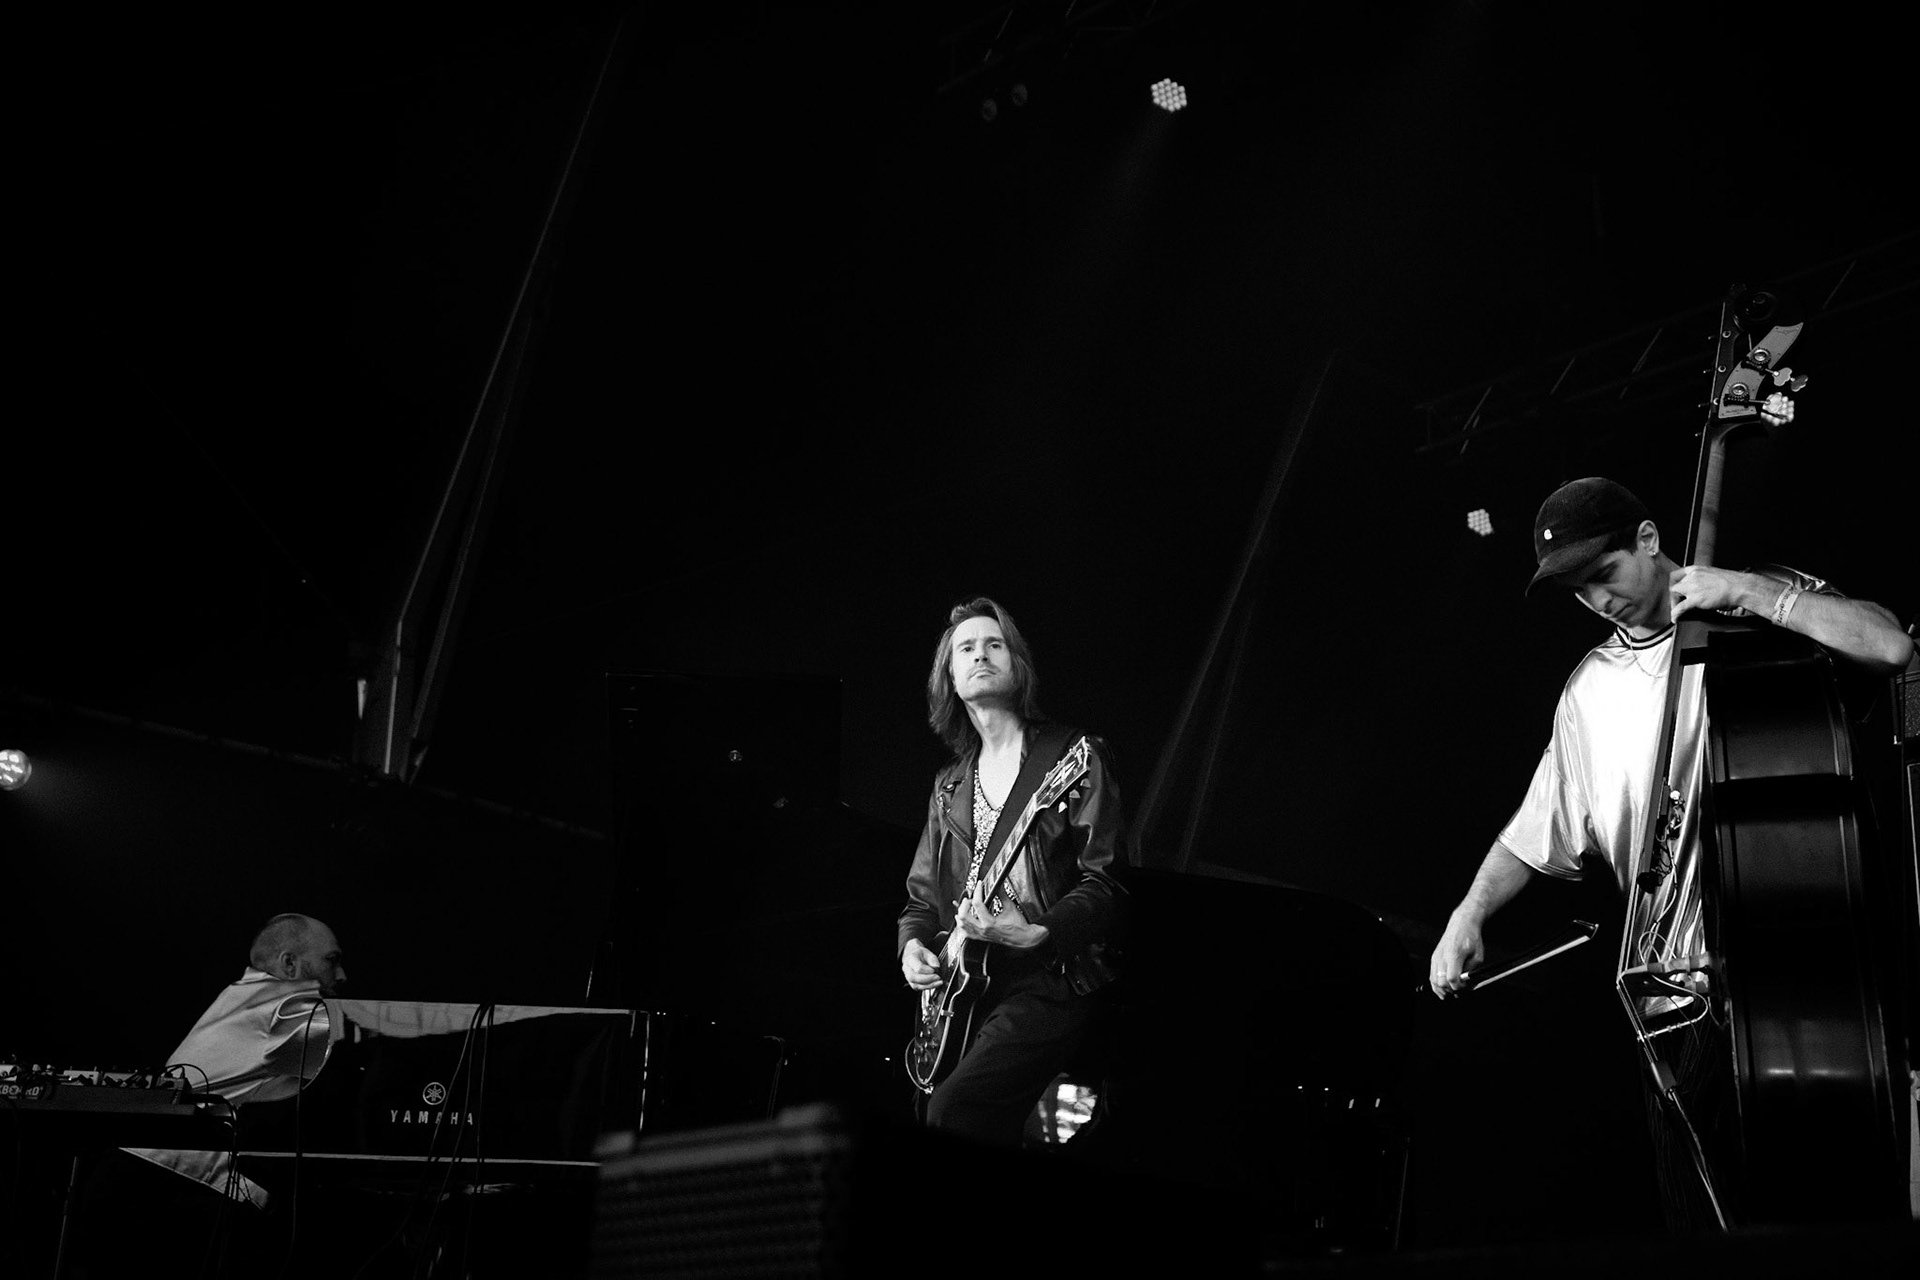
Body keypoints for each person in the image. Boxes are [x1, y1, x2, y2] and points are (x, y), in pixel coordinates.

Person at [1426, 476, 1914, 1221]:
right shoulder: (1588, 691)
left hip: (1790, 981)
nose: (1598, 600)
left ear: (1649, 540)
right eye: (1579, 591)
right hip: (1670, 1004)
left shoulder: (1755, 611)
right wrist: (1469, 914)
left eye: (1605, 573)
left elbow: (1888, 645)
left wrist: (1749, 592)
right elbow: (1534, 832)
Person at [897, 596, 1129, 1146]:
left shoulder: (1071, 756)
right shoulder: (949, 785)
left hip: (1049, 976)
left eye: (994, 644)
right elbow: (921, 902)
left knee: (956, 1110)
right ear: (950, 677)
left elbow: (1109, 883)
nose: (981, 654)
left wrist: (1039, 932)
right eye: (967, 648)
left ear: (1016, 664)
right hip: (963, 988)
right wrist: (912, 947)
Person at [72, 913, 347, 1277]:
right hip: (162, 1189)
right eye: (331, 960)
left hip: (128, 1176)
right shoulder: (287, 1007)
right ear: (290, 964)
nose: (341, 976)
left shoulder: (243, 997)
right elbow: (355, 1049)